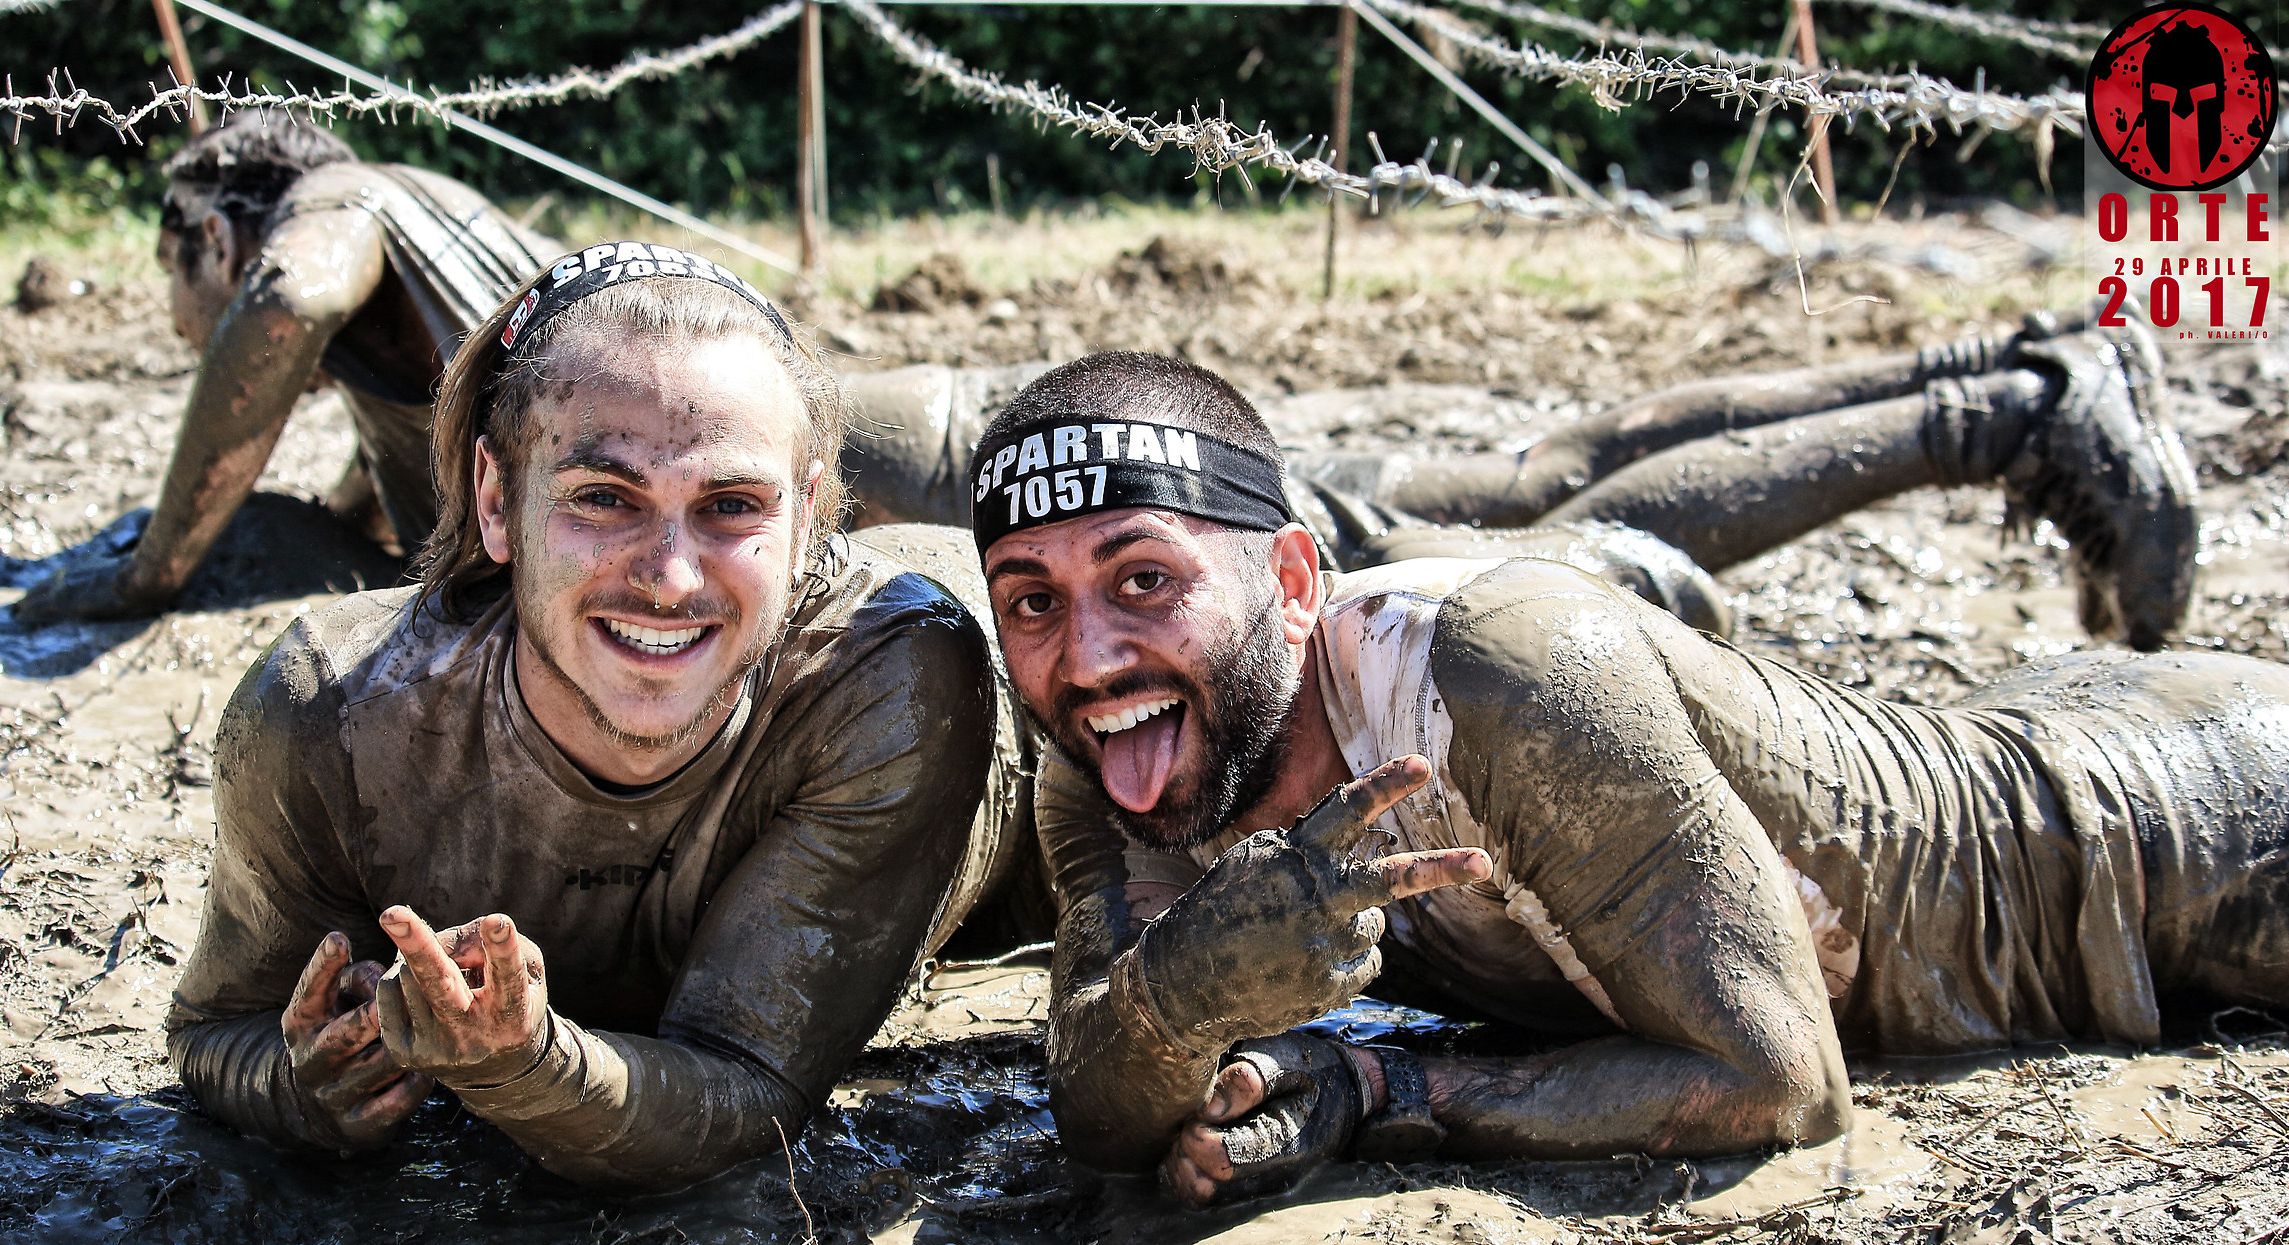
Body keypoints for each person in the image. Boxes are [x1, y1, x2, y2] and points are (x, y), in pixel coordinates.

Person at [968, 351, 2288, 1205]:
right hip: (2044, 727)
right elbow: (1100, 1099)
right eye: (1030, 602)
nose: (1088, 658)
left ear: (1298, 582)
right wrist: (1178, 993)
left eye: (1145, 580)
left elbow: (1778, 1079)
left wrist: (1390, 1089)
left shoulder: (1495, 670)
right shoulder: (1104, 766)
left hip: (2161, 834)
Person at [165, 242, 1037, 1191]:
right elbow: (214, 1031)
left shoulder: (884, 676)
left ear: (808, 520)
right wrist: (308, 1090)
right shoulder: (326, 718)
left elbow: (747, 1081)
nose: (669, 577)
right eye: (604, 498)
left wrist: (529, 1069)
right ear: (497, 501)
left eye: (732, 505)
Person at [846, 312, 2197, 649]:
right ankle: (1996, 384)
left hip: (1036, 475)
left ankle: (2007, 415)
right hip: (1009, 435)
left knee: (1545, 537)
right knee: (1537, 475)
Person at [13, 110, 559, 624]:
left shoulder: (335, 197)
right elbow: (436, 427)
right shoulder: (422, 229)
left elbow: (291, 300)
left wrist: (146, 577)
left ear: (216, 241)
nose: (174, 319)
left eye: (167, 265)